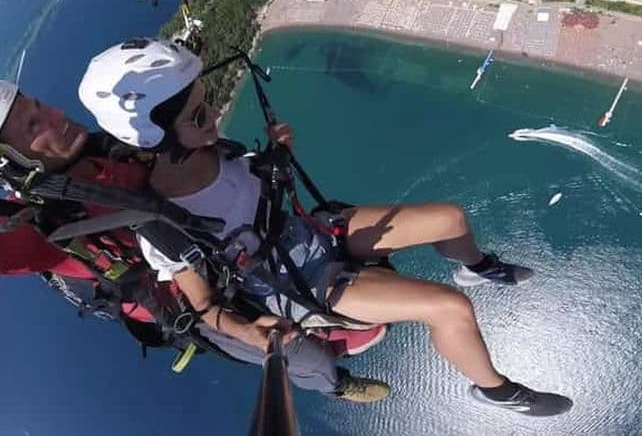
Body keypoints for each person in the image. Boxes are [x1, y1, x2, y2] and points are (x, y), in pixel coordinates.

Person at [78, 38, 573, 417]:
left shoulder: (219, 151)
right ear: (156, 136)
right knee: (449, 309)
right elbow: (203, 306)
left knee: (450, 218)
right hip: (297, 282)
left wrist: (277, 156)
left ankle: (476, 266)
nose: (212, 119)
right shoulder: (163, 226)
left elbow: (252, 191)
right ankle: (496, 391)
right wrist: (248, 332)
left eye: (208, 102)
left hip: (312, 235)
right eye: (199, 114)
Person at [0, 79, 388, 403]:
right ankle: (337, 383)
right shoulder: (39, 229)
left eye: (38, 104)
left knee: (339, 226)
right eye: (33, 127)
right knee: (298, 352)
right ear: (11, 164)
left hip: (225, 243)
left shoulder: (109, 147)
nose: (55, 116)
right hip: (197, 301)